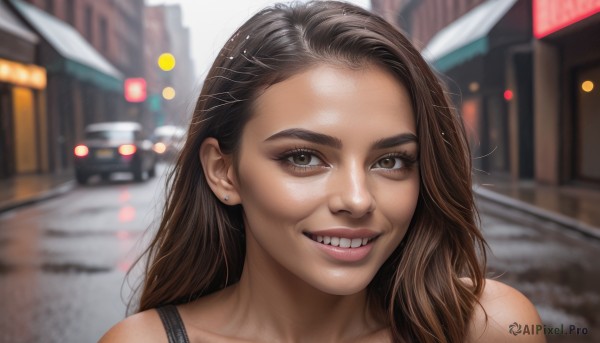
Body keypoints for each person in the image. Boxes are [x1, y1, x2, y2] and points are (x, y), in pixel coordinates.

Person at [100, 1, 545, 342]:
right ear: (224, 171)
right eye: (303, 157)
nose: (357, 199)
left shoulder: (490, 327)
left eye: (390, 161)